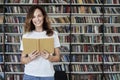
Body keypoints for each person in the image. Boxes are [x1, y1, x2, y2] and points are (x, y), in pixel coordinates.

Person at [20, 5, 60, 80]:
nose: (37, 19)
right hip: (30, 75)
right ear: (31, 19)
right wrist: (29, 58)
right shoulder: (26, 35)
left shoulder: (53, 34)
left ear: (44, 16)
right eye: (34, 17)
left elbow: (58, 57)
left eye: (39, 16)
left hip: (47, 75)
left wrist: (49, 57)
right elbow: (22, 59)